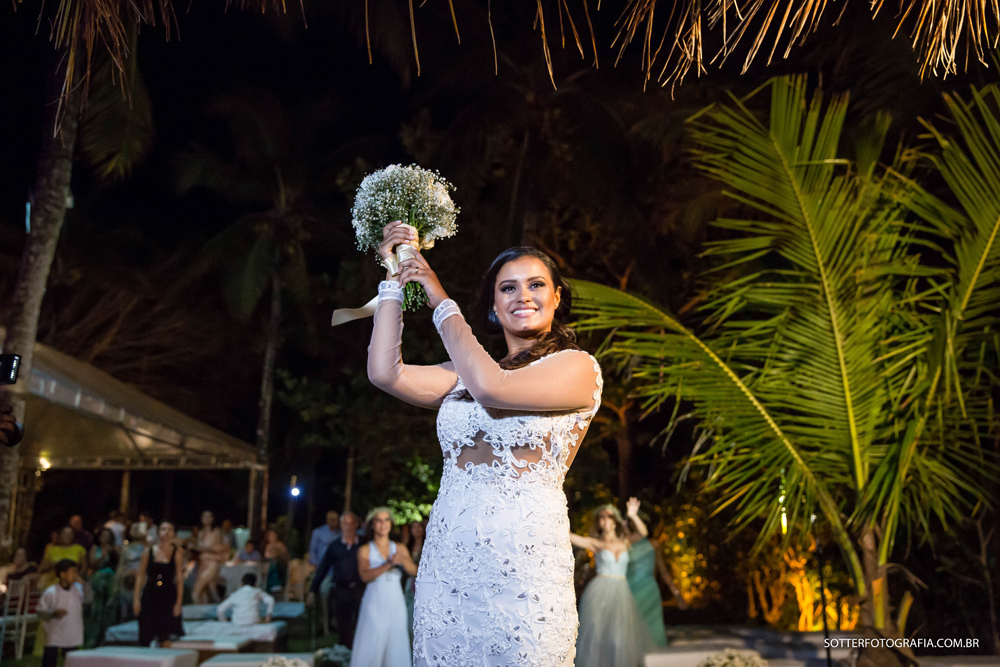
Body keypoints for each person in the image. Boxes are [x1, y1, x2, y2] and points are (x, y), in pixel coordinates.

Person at [367, 227, 604, 666]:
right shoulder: (467, 372)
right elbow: (386, 373)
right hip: (449, 565)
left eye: (536, 285)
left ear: (556, 298)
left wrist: (439, 296)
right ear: (494, 307)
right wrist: (393, 278)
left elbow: (493, 388)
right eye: (507, 288)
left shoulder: (577, 368)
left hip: (526, 569)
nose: (523, 295)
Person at [570, 500, 653, 667]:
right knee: (596, 635)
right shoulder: (596, 543)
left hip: (621, 591)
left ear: (615, 520)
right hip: (599, 591)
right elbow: (570, 536)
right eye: (601, 517)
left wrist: (633, 516)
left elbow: (643, 532)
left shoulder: (625, 542)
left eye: (609, 517)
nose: (605, 520)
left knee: (619, 637)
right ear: (598, 522)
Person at [350, 508, 417, 667]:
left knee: (397, 640)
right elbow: (365, 576)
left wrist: (403, 561)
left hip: (395, 599)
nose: (383, 524)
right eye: (379, 520)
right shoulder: (365, 549)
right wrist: (388, 564)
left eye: (386, 520)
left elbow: (415, 571)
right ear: (372, 525)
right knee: (372, 639)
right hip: (374, 600)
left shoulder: (400, 547)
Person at [625, 518, 686, 647]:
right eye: (632, 522)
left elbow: (663, 570)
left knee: (653, 625)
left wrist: (677, 593)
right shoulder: (625, 544)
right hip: (631, 589)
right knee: (631, 625)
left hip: (649, 589)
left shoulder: (654, 545)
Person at [307, 512, 363, 647]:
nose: (348, 527)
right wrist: (312, 590)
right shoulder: (335, 546)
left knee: (360, 622)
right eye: (345, 524)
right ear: (341, 525)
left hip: (359, 589)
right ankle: (344, 652)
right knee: (343, 623)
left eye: (351, 523)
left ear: (356, 525)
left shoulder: (363, 544)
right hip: (341, 589)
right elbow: (323, 568)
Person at [134, 522, 185, 647]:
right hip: (151, 593)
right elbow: (140, 575)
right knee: (145, 634)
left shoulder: (177, 553)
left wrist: (179, 602)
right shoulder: (148, 551)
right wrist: (136, 599)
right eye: (163, 529)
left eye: (170, 529)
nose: (166, 532)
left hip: (167, 594)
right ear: (158, 532)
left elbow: (179, 578)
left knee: (165, 635)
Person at [38, 559, 84, 667]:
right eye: (72, 572)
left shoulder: (78, 589)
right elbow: (41, 611)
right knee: (50, 661)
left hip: (72, 634)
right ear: (63, 574)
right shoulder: (51, 592)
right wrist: (53, 613)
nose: (75, 575)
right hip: (55, 633)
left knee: (72, 661)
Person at [309, 511, 341, 636]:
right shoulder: (319, 532)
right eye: (330, 519)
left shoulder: (341, 533)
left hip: (338, 571)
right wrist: (317, 567)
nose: (333, 522)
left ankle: (336, 624)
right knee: (324, 597)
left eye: (335, 519)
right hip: (325, 572)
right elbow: (313, 551)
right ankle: (325, 627)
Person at [85, 550, 120, 647]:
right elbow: (97, 587)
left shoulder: (110, 573)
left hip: (107, 601)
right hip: (100, 601)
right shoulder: (104, 573)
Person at [192, 511, 227, 603]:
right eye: (204, 516)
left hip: (212, 562)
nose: (206, 518)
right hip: (202, 563)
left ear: (212, 519)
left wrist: (207, 548)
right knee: (210, 590)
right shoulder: (200, 533)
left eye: (208, 516)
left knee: (197, 591)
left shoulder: (216, 532)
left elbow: (221, 548)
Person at [402, 520, 424, 635]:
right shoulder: (407, 546)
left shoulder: (428, 545)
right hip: (410, 583)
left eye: (419, 527)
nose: (417, 530)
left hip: (423, 584)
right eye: (414, 527)